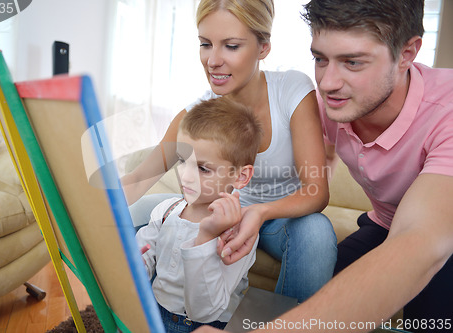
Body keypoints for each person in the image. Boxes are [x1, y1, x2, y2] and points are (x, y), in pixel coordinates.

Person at [197, 0, 453, 332]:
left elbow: (420, 239)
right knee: (321, 293)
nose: (328, 83)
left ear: (407, 53)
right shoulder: (333, 104)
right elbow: (315, 160)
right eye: (320, 59)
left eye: (353, 62)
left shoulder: (445, 110)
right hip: (385, 225)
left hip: (438, 233)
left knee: (429, 319)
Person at [125, 0, 337, 303]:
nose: (213, 60)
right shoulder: (197, 114)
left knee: (317, 232)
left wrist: (258, 212)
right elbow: (138, 178)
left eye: (231, 46)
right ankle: (141, 312)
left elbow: (316, 191)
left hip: (279, 220)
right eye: (205, 44)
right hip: (214, 210)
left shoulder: (291, 90)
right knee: (131, 213)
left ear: (263, 47)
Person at [136, 97, 262, 332]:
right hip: (155, 316)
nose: (186, 176)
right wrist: (133, 265)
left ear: (240, 177)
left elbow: (203, 311)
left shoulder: (238, 231)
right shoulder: (168, 210)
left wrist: (205, 238)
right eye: (183, 161)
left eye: (203, 168)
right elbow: (141, 263)